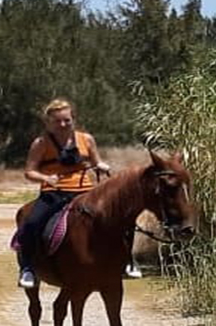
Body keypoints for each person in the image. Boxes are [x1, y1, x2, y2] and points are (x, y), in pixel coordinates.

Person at [16, 98, 141, 288]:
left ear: (73, 119)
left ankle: (127, 262)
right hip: (54, 192)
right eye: (57, 121)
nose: (63, 124)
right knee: (31, 223)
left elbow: (95, 161)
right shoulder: (41, 143)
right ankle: (28, 269)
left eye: (67, 120)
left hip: (85, 192)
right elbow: (29, 172)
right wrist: (46, 179)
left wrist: (100, 165)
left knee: (123, 219)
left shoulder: (86, 139)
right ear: (48, 123)